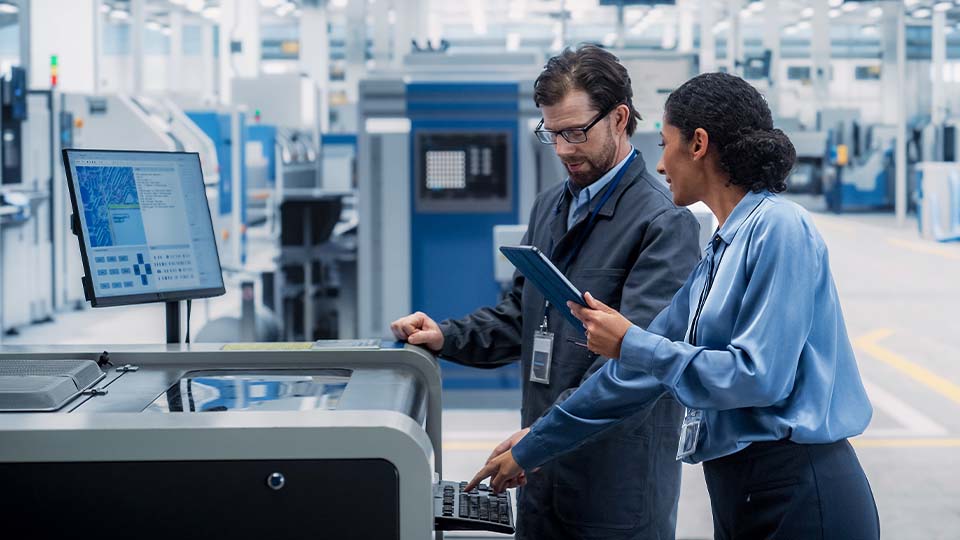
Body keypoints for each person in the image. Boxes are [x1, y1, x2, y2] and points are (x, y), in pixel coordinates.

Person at [469, 72, 881, 540]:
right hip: (739, 489)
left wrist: (632, 344)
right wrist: (536, 443)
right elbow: (632, 374)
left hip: (799, 490)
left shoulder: (780, 228)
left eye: (666, 144)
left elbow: (758, 376)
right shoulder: (719, 251)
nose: (661, 164)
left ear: (699, 144)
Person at [390, 44, 701, 540]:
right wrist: (444, 336)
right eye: (551, 134)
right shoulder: (552, 206)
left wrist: (537, 442)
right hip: (541, 479)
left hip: (612, 494)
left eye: (576, 132)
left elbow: (633, 369)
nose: (562, 150)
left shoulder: (663, 225)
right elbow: (522, 314)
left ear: (620, 118)